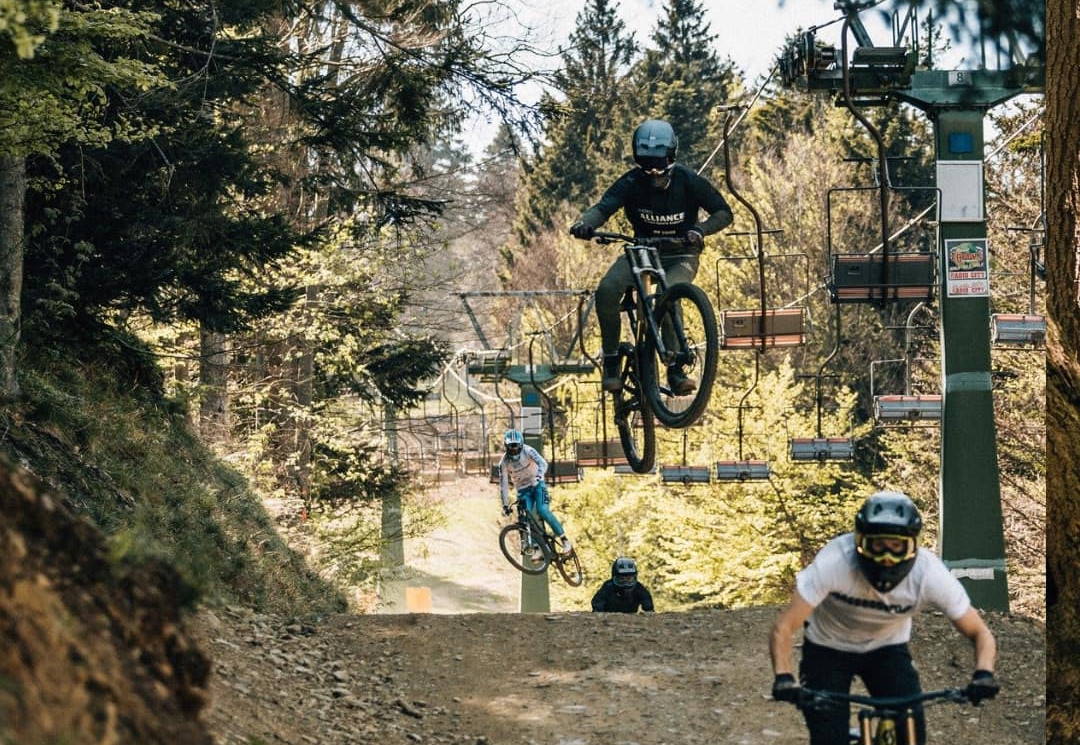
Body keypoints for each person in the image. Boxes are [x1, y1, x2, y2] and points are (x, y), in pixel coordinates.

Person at [768, 491, 999, 745]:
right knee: (827, 737)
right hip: (827, 649)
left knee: (911, 733)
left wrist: (983, 673)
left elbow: (980, 632)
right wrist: (784, 677)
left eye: (897, 546)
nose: (887, 557)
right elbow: (785, 626)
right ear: (860, 542)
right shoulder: (834, 562)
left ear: (913, 546)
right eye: (877, 545)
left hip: (887, 650)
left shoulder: (930, 575)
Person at [569, 119, 734, 394]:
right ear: (637, 160)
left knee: (669, 292)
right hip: (642, 251)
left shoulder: (688, 180)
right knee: (608, 290)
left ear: (672, 157)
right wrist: (585, 223)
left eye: (660, 164)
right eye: (646, 165)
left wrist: (700, 230)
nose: (654, 172)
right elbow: (603, 207)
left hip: (681, 253)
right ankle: (611, 359)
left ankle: (675, 368)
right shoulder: (631, 181)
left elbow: (723, 212)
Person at [498, 429, 573, 560]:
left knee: (542, 510)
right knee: (525, 516)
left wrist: (539, 476)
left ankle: (565, 540)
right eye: (511, 447)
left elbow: (542, 463)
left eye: (516, 447)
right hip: (523, 490)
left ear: (521, 445)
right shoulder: (504, 462)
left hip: (538, 485)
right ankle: (538, 548)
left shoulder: (528, 450)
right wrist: (505, 505)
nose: (514, 450)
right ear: (506, 447)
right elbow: (503, 484)